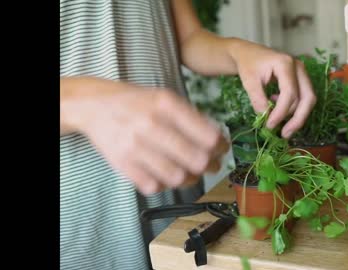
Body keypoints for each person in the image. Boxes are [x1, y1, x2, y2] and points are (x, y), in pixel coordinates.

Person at [60, 0, 316, 269]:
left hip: (175, 193)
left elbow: (188, 38)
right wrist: (85, 101)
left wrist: (238, 51)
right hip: (83, 218)